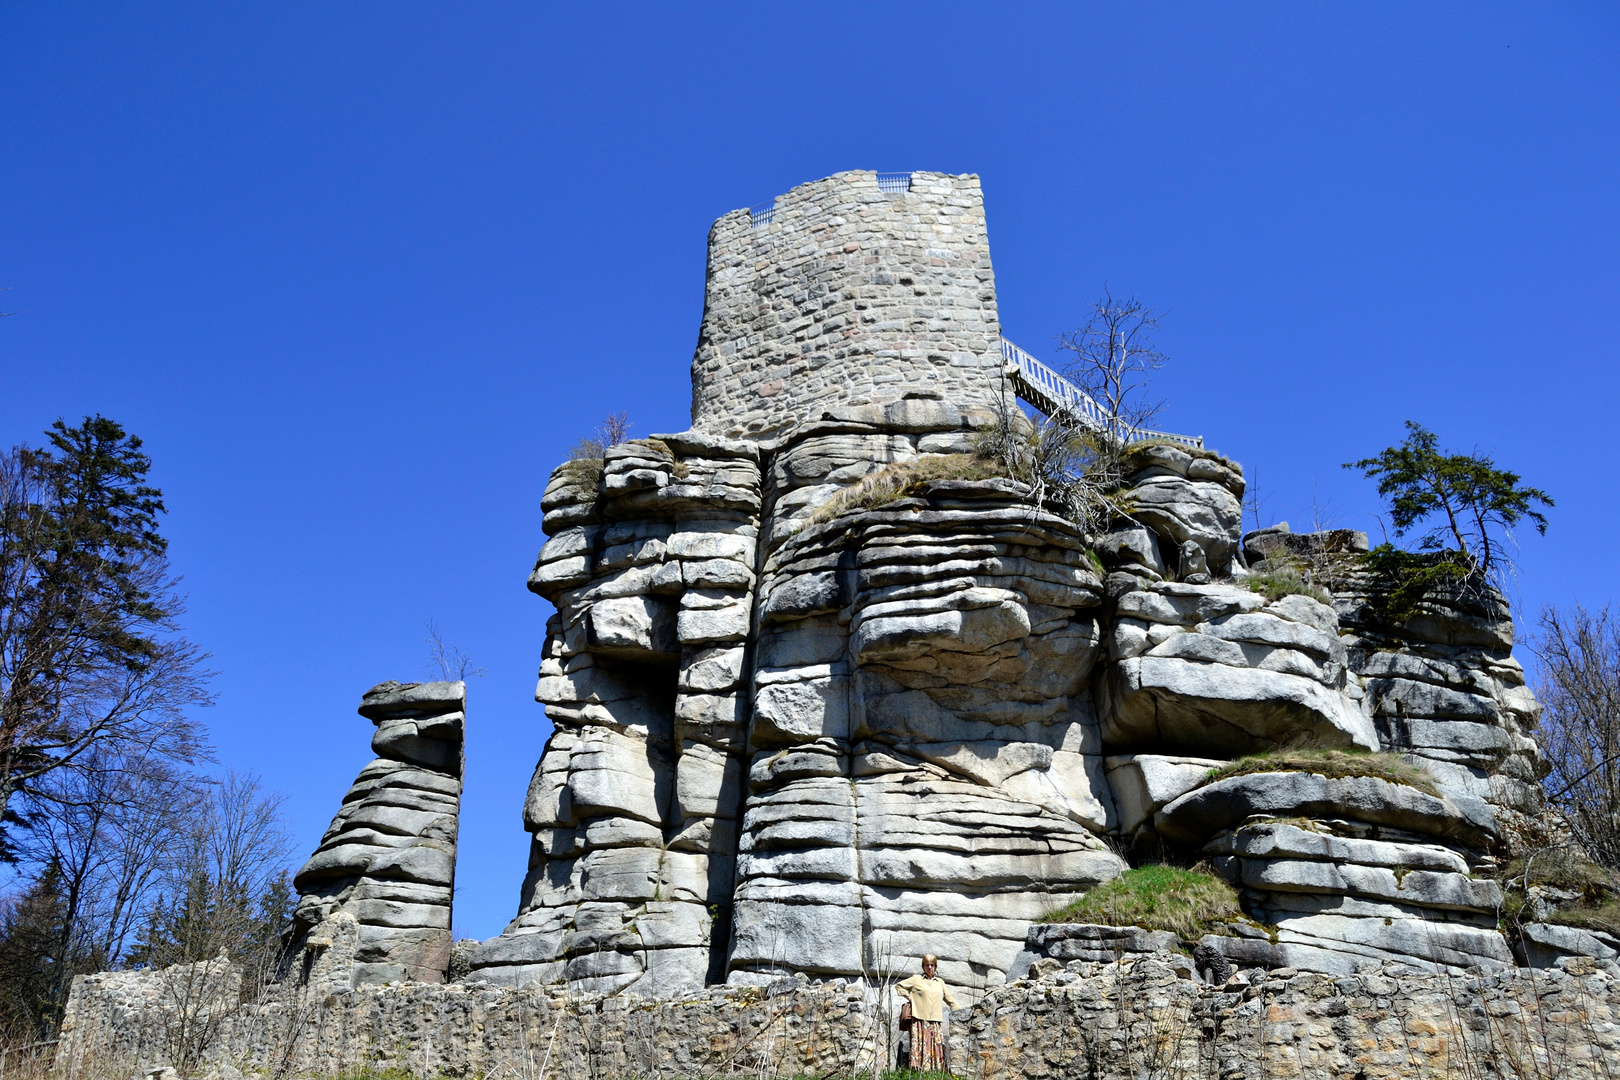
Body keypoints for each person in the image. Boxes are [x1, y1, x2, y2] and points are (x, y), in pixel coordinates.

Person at [897, 954, 958, 1072]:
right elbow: (899, 986)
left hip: (935, 1020)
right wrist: (909, 997)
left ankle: (935, 1072)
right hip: (919, 1020)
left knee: (936, 1046)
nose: (929, 967)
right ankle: (918, 1072)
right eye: (927, 965)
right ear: (923, 966)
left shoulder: (939, 982)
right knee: (920, 1045)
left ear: (935, 966)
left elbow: (949, 998)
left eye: (932, 965)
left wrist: (959, 1010)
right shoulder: (916, 979)